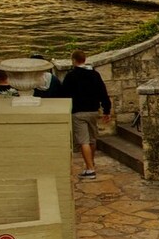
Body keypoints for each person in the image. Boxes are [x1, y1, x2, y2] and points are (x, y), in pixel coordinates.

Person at [34, 49, 111, 179]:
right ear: (85, 59)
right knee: (92, 139)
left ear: (74, 60)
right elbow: (103, 92)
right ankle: (90, 164)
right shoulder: (95, 75)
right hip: (93, 111)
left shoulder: (71, 76)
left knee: (83, 141)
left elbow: (64, 94)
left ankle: (90, 169)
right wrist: (107, 110)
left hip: (78, 112)